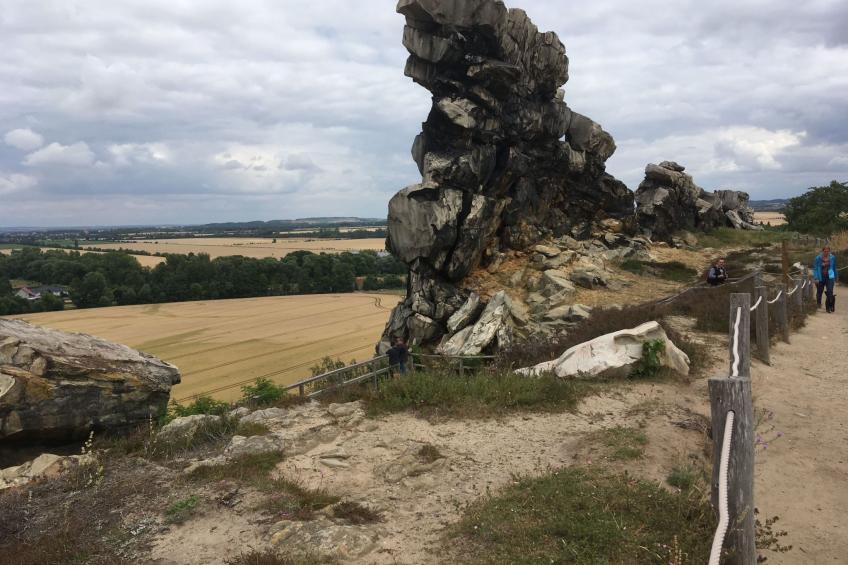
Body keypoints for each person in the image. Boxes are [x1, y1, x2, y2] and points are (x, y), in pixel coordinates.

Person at [813, 245, 838, 313]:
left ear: (829, 251)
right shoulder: (818, 258)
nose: (826, 252)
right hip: (820, 277)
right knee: (819, 291)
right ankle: (818, 304)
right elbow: (815, 268)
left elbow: (834, 268)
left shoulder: (832, 258)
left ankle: (829, 306)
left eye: (827, 251)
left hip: (830, 276)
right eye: (825, 251)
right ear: (822, 251)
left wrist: (836, 277)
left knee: (830, 291)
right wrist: (816, 278)